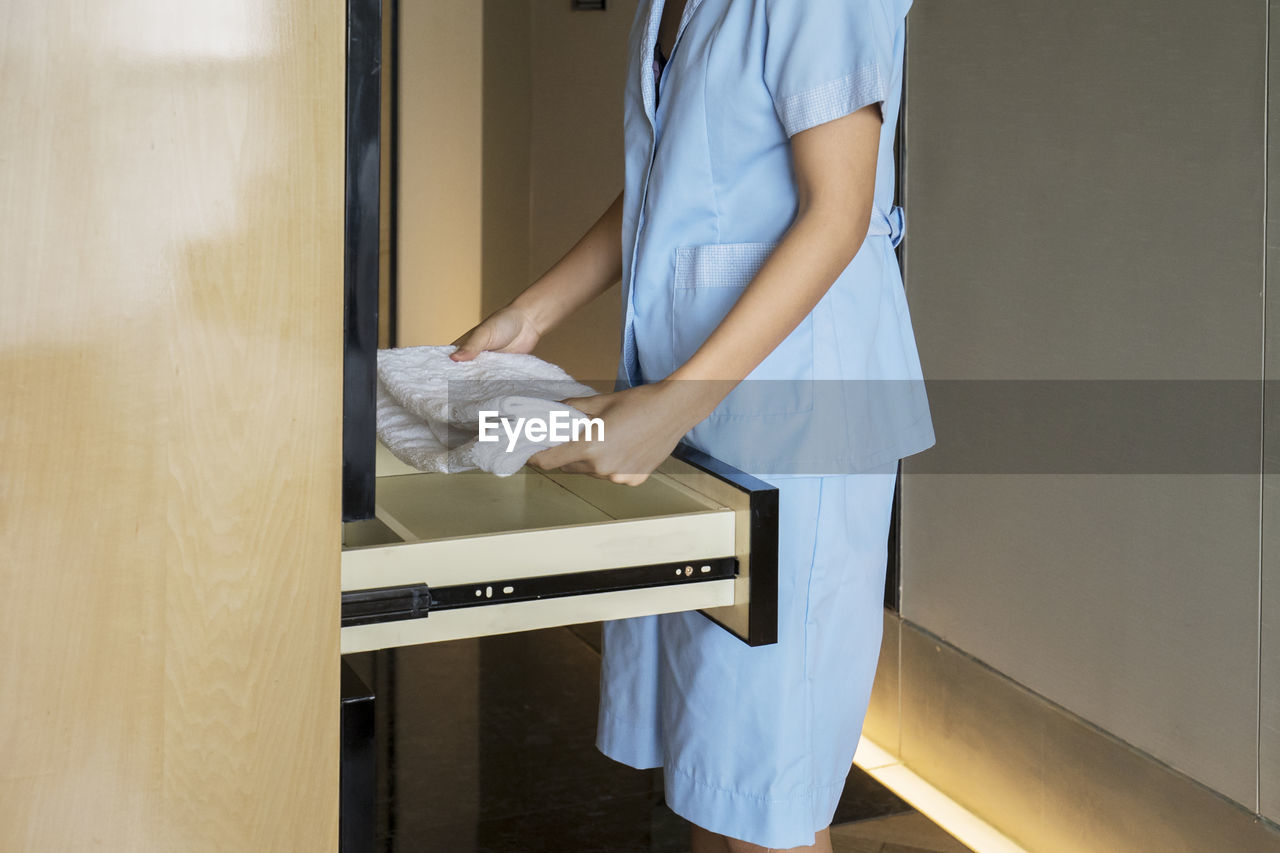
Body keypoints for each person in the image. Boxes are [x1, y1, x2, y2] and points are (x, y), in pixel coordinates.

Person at [451, 0, 934, 850]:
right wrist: (529, 316)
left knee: (765, 807)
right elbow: (666, 185)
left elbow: (838, 212)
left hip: (797, 417)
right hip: (696, 406)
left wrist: (673, 404)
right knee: (713, 787)